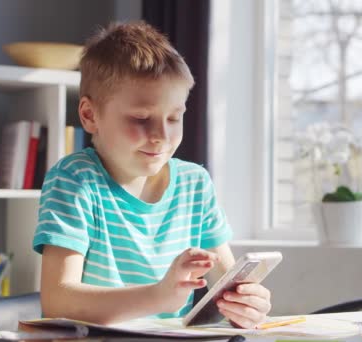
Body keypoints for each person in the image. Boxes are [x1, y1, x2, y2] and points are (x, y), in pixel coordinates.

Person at [32, 21, 271, 328]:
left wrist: (247, 304)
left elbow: (225, 285)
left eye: (174, 117)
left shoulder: (194, 183)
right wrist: (158, 296)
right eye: (141, 118)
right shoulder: (75, 180)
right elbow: (58, 301)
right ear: (90, 115)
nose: (161, 135)